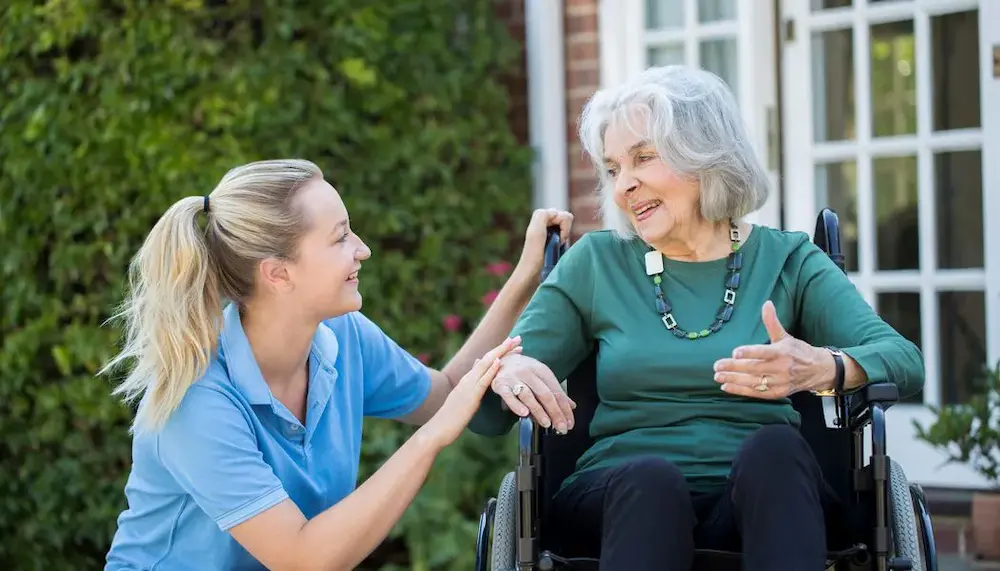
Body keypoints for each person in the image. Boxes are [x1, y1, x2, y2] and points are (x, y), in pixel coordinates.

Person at [469, 65, 924, 571]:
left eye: (643, 158)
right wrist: (505, 372)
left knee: (776, 452)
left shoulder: (788, 259)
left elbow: (903, 360)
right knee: (651, 482)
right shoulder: (597, 264)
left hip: (763, 501)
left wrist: (824, 367)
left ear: (705, 154)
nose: (624, 186)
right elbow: (487, 416)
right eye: (614, 168)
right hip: (621, 499)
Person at [100, 158, 575, 571]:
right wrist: (432, 438)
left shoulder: (341, 338)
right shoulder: (196, 399)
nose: (362, 249)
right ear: (278, 273)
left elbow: (446, 393)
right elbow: (305, 559)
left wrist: (525, 276)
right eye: (341, 237)